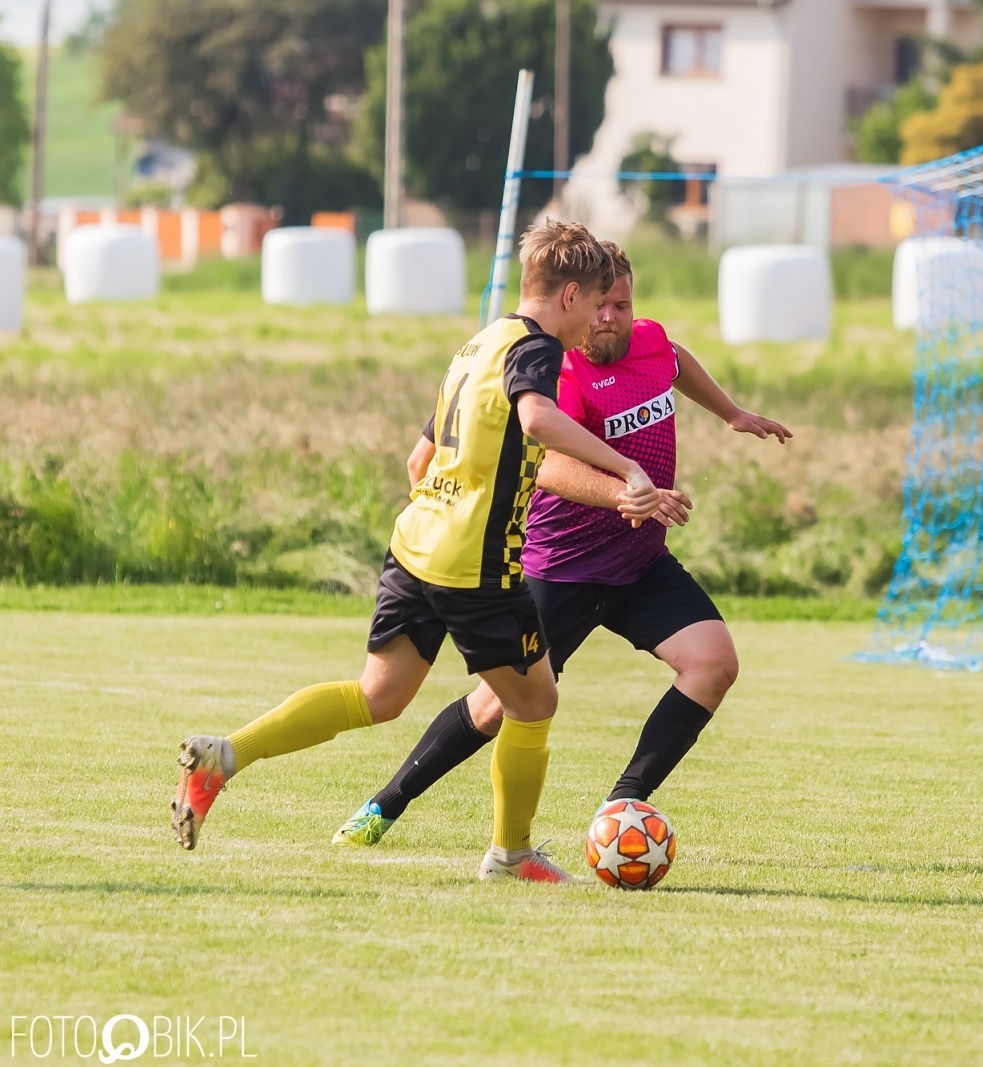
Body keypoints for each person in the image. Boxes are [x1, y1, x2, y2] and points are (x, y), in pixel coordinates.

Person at [171, 221, 663, 884]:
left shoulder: (476, 345)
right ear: (568, 294)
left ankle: (223, 755)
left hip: (416, 546)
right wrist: (629, 469)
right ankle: (511, 854)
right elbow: (538, 419)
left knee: (379, 695)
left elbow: (418, 456)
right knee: (535, 701)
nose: (596, 322)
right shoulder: (536, 345)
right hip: (474, 565)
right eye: (596, 302)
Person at [331, 241, 792, 847]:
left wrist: (730, 412)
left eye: (621, 306)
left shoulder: (650, 341)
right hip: (562, 567)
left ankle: (623, 809)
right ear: (581, 301)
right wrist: (624, 492)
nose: (609, 319)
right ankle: (382, 808)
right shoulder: (560, 372)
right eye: (601, 306)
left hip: (638, 562)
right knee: (494, 709)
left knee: (713, 664)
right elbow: (542, 461)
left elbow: (675, 360)